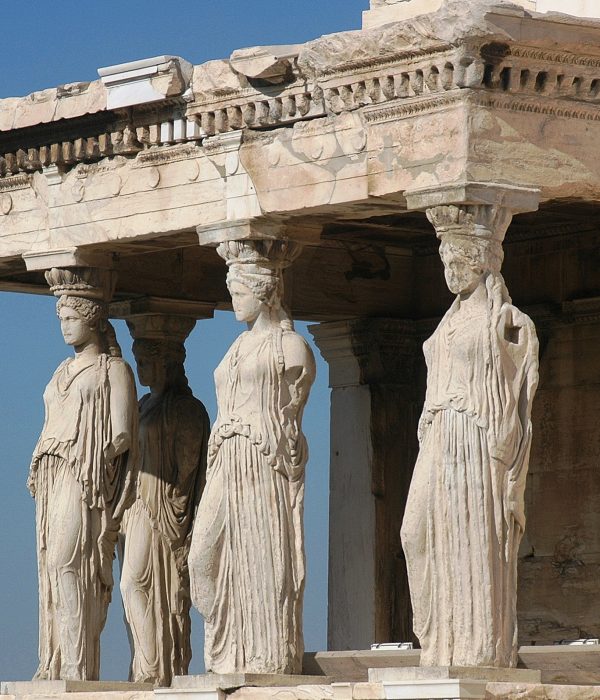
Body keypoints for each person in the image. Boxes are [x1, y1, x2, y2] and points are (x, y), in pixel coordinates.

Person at [401, 216, 539, 668]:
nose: (451, 269)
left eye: (459, 259)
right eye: (445, 259)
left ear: (482, 263)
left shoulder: (506, 320)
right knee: (415, 532)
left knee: (475, 537)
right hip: (439, 434)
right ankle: (438, 637)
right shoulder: (447, 323)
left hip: (476, 439)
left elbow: (520, 391)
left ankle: (477, 646)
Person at [189, 240, 315, 675]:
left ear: (264, 292)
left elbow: (292, 414)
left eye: (239, 293)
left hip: (265, 460)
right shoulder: (236, 348)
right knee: (202, 557)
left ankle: (265, 653)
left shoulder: (292, 348)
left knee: (264, 556)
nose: (233, 301)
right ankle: (229, 648)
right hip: (227, 457)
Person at [28, 268, 138, 680]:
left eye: (71, 318)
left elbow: (124, 431)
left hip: (85, 475)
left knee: (68, 561)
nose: (64, 326)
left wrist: (94, 457)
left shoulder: (114, 370)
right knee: (51, 568)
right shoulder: (60, 371)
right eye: (60, 319)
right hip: (52, 474)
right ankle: (54, 662)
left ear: (91, 319)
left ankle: (79, 666)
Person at [119, 322, 209, 686]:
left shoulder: (187, 409)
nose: (139, 368)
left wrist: (174, 512)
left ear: (167, 362)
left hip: (161, 512)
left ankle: (154, 667)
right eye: (136, 360)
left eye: (145, 361)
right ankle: (143, 663)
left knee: (133, 584)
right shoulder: (143, 404)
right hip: (136, 504)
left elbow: (187, 471)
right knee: (131, 589)